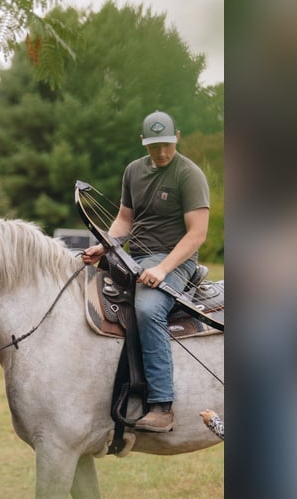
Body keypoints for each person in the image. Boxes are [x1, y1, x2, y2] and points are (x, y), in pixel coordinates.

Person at [82, 110, 210, 432]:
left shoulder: (189, 174)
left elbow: (197, 233)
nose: (162, 152)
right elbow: (125, 219)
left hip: (175, 261)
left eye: (167, 144)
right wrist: (108, 245)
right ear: (144, 142)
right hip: (134, 258)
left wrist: (164, 269)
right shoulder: (133, 171)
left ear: (177, 137)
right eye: (155, 146)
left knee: (147, 308)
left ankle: (162, 405)